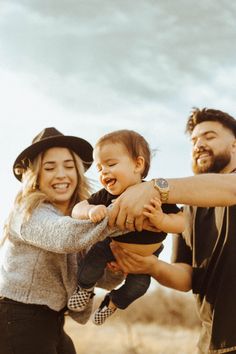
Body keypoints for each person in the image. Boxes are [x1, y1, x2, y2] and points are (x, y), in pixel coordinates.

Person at [109, 108, 236, 353]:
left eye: (209, 137)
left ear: (234, 145)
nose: (199, 144)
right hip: (212, 344)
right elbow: (187, 277)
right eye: (194, 140)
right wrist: (149, 265)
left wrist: (157, 187)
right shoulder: (187, 206)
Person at [0, 127, 124, 354]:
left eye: (69, 166)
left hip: (52, 322)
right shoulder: (28, 211)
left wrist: (116, 268)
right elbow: (63, 236)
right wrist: (121, 215)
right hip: (18, 318)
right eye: (49, 168)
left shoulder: (81, 222)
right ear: (35, 175)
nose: (61, 174)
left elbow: (98, 279)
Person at [67, 129, 184, 325]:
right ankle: (84, 289)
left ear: (138, 164)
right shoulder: (105, 195)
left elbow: (181, 222)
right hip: (111, 247)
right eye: (99, 167)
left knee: (138, 286)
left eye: (111, 164)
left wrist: (161, 220)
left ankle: (113, 302)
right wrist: (90, 210)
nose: (104, 171)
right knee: (92, 262)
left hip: (145, 259)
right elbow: (76, 209)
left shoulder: (155, 193)